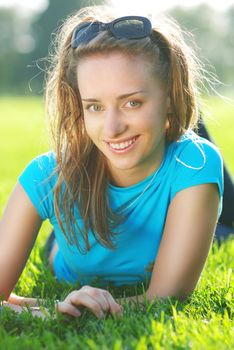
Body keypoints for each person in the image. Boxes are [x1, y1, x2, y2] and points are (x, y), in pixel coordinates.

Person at [0, 5, 228, 319]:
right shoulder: (46, 174)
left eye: (132, 102)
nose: (111, 128)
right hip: (78, 222)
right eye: (94, 106)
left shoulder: (195, 163)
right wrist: (58, 310)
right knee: (74, 211)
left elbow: (165, 298)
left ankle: (171, 122)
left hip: (183, 194)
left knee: (225, 227)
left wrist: (83, 311)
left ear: (170, 98)